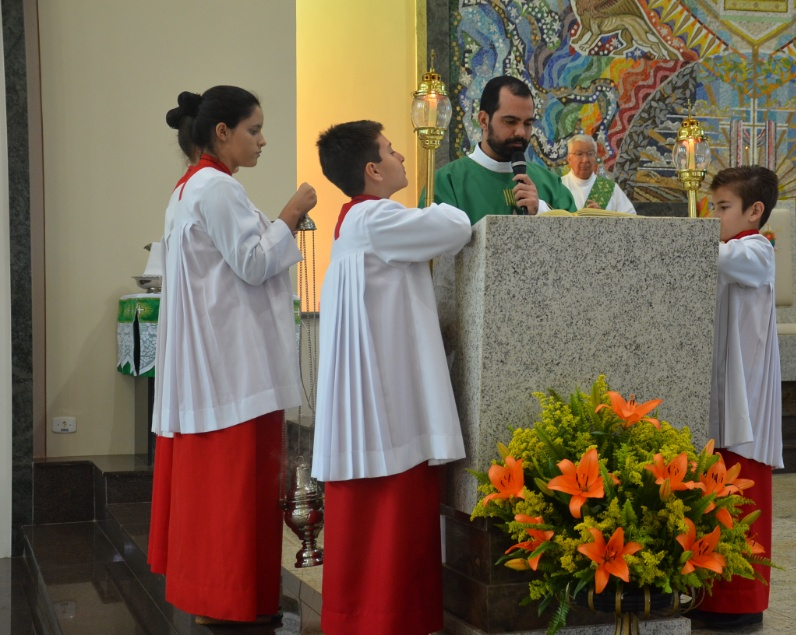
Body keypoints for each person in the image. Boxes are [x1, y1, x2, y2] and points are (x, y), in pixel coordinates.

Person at [147, 85, 317, 626]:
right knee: (236, 498)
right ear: (222, 133)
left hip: (215, 367)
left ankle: (220, 599)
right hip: (234, 370)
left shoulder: (188, 188)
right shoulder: (216, 188)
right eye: (254, 129)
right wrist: (291, 211)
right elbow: (249, 261)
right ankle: (235, 602)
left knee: (217, 500)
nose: (263, 140)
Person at [312, 120, 471, 634]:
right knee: (392, 523)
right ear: (373, 169)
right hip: (390, 403)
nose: (402, 155)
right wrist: (443, 201)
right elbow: (455, 227)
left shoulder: (357, 221)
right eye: (391, 150)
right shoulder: (378, 217)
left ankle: (368, 619)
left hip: (376, 397)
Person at [697, 166, 783, 629]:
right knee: (712, 501)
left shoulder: (756, 250)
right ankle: (708, 597)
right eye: (712, 207)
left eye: (722, 208)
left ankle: (741, 602)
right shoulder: (729, 247)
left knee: (742, 502)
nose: (714, 217)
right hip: (722, 394)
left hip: (746, 403)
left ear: (755, 211)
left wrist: (687, 237)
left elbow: (722, 260)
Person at [431, 75, 575, 223]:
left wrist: (541, 210)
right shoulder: (448, 182)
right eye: (510, 122)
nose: (520, 132)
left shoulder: (550, 185)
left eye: (527, 123)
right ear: (483, 120)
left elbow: (582, 238)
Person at [560, 134, 635, 213]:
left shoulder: (610, 189)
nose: (585, 160)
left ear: (595, 158)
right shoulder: (558, 187)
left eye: (590, 154)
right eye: (579, 154)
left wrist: (604, 217)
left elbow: (631, 220)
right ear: (569, 158)